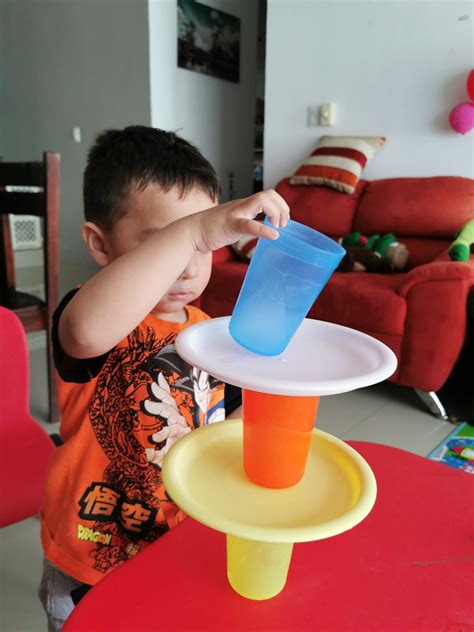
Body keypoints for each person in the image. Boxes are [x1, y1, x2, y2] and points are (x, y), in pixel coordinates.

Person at [38, 125, 289, 630]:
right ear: (100, 244)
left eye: (203, 247)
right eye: (167, 244)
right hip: (92, 544)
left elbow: (232, 417)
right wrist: (194, 231)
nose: (188, 267)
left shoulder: (213, 337)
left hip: (173, 535)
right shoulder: (92, 314)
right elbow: (86, 333)